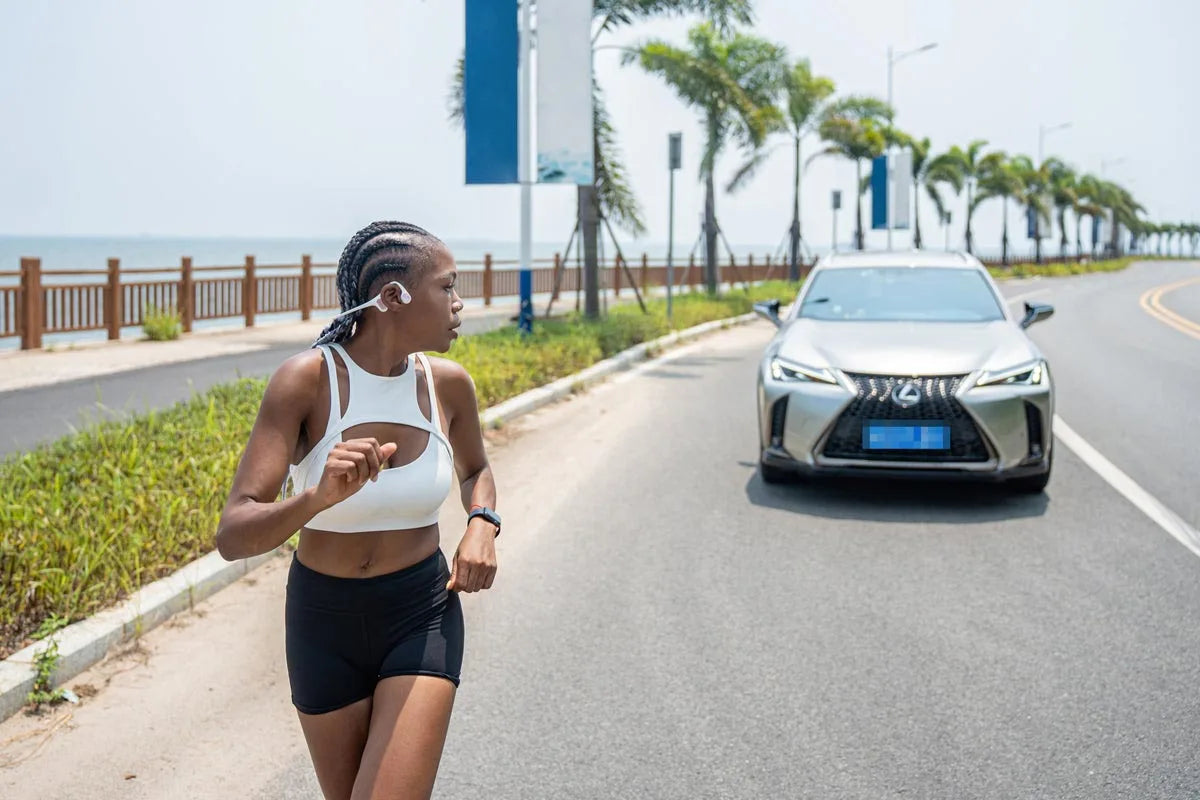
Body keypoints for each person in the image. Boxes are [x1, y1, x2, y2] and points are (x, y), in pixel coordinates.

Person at [215, 220, 500, 800]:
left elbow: (476, 470)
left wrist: (481, 524)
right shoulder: (307, 381)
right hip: (323, 622)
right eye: (446, 287)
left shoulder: (448, 385)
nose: (459, 302)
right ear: (393, 297)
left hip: (420, 613)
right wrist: (315, 497)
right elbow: (233, 533)